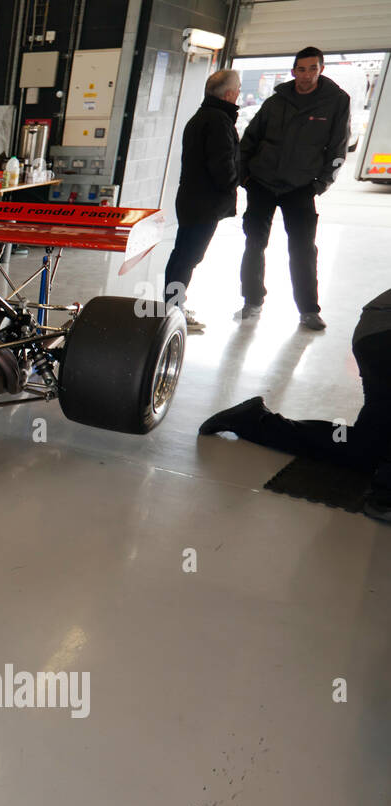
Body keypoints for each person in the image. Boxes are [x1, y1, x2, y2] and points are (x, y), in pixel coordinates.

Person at [199, 288, 391, 523]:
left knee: (367, 450)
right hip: (383, 334)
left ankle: (253, 419)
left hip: (377, 331)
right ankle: (384, 498)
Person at [238, 46, 350, 331]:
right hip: (262, 183)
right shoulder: (277, 101)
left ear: (321, 69)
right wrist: (244, 176)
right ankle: (252, 300)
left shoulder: (336, 101)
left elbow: (338, 148)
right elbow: (250, 139)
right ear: (293, 71)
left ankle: (308, 310)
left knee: (302, 250)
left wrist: (321, 183)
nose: (307, 75)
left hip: (300, 187)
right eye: (301, 69)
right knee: (254, 244)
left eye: (313, 69)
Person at [163, 69, 241, 333]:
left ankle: (172, 307)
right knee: (188, 257)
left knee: (182, 255)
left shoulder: (201, 117)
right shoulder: (219, 121)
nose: (239, 94)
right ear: (230, 94)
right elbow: (222, 166)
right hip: (204, 203)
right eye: (238, 89)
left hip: (190, 199)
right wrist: (237, 181)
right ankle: (173, 311)